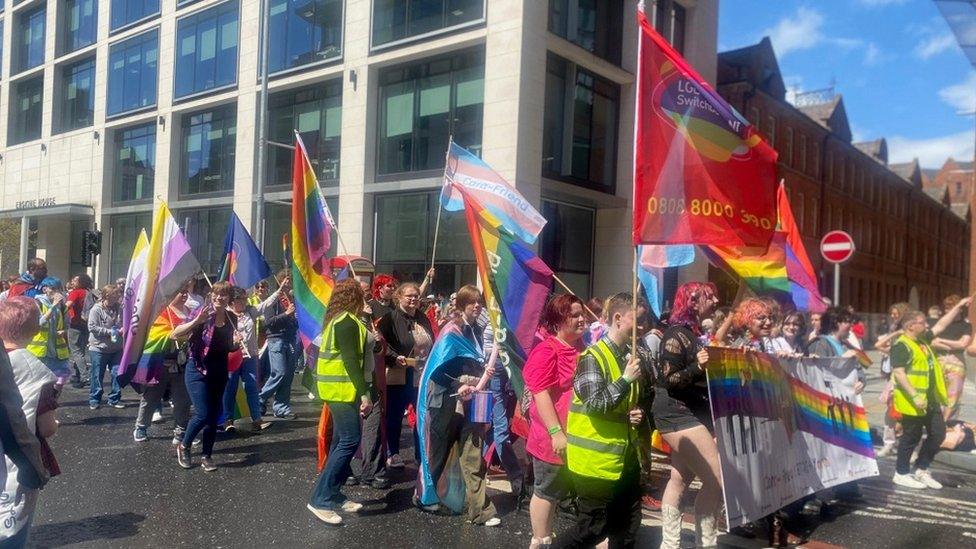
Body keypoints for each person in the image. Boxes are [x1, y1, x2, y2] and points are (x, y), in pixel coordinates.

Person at [553, 293, 653, 549]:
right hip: (595, 464)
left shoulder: (629, 357)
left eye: (645, 320)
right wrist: (625, 380)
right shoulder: (591, 357)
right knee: (593, 529)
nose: (642, 327)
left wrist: (634, 412)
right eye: (637, 320)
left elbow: (624, 404)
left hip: (624, 461)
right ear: (618, 319)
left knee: (628, 528)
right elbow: (596, 403)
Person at [415, 285, 500, 527]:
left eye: (479, 302)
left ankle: (480, 511)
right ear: (462, 305)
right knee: (438, 451)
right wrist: (457, 387)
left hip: (473, 399)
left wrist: (483, 373)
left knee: (473, 452)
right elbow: (436, 371)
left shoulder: (476, 330)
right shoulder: (450, 332)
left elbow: (472, 363)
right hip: (446, 402)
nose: (477, 306)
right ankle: (424, 495)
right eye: (472, 302)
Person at [654, 282, 720, 549]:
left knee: (680, 479)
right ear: (693, 302)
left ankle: (669, 545)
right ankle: (706, 544)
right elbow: (668, 379)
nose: (716, 300)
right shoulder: (675, 335)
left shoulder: (694, 335)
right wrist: (698, 366)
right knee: (717, 480)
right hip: (676, 414)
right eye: (710, 296)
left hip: (691, 412)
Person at [306, 280, 374, 525]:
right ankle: (320, 499)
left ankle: (333, 493)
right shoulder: (346, 322)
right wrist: (364, 393)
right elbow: (350, 362)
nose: (368, 296)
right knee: (349, 440)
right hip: (341, 390)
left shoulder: (343, 319)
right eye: (363, 293)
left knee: (339, 442)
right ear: (355, 296)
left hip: (341, 389)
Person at [523, 294, 585, 549]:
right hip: (552, 439)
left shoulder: (583, 347)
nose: (582, 319)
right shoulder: (547, 350)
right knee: (547, 491)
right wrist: (556, 432)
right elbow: (540, 394)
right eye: (575, 315)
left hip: (580, 435)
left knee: (564, 492)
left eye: (582, 314)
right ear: (560, 320)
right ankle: (541, 540)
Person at [0, 297, 60, 547]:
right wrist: (56, 424)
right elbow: (46, 426)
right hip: (18, 457)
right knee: (13, 531)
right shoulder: (37, 371)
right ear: (36, 330)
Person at [173, 282, 237, 471]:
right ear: (211, 295)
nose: (220, 298)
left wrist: (236, 343)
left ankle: (206, 455)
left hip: (219, 370)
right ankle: (184, 446)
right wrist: (196, 321)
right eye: (217, 294)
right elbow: (174, 335)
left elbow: (227, 347)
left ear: (228, 298)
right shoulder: (201, 313)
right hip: (197, 369)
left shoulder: (231, 317)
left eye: (224, 295)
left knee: (213, 416)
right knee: (202, 413)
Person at [889, 309, 948, 490]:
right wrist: (914, 395)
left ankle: (921, 469)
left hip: (930, 400)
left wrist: (960, 305)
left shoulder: (922, 341)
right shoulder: (902, 345)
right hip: (912, 402)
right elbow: (899, 373)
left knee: (938, 434)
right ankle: (901, 473)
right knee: (911, 437)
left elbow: (941, 325)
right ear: (911, 325)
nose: (926, 325)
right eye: (923, 322)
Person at [378, 281, 434, 469]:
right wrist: (394, 358)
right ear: (399, 297)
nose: (413, 299)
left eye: (416, 296)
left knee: (422, 415)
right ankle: (392, 452)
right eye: (409, 295)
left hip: (421, 374)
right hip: (398, 374)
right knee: (394, 416)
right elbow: (380, 346)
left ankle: (421, 454)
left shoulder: (423, 318)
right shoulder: (389, 319)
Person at [132, 284, 193, 444]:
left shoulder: (190, 311)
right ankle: (141, 427)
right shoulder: (161, 312)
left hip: (182, 364)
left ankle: (180, 431)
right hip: (160, 364)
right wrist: (178, 335)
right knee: (151, 397)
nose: (184, 295)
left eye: (186, 292)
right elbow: (155, 336)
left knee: (182, 400)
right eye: (181, 292)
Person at [222, 287, 271, 433]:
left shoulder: (250, 312)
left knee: (252, 386)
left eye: (245, 298)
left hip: (250, 356)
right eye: (241, 299)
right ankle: (227, 420)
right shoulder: (225, 315)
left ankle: (257, 420)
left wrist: (278, 290)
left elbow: (266, 304)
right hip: (232, 356)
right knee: (230, 388)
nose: (244, 301)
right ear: (233, 301)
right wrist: (232, 339)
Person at [259, 272, 299, 420]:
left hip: (289, 339)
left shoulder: (292, 300)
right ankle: (260, 398)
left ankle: (281, 408)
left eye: (291, 281)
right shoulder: (274, 300)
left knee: (288, 376)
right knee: (279, 372)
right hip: (276, 339)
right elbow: (268, 322)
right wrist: (287, 314)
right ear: (280, 282)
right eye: (286, 281)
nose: (289, 283)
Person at [875, 302, 911, 456]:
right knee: (891, 411)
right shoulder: (895, 329)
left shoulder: (912, 333)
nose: (892, 316)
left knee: (908, 414)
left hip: (910, 377)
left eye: (895, 313)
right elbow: (879, 345)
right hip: (894, 376)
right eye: (891, 313)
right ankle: (888, 444)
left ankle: (909, 447)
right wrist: (895, 334)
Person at [930, 295, 971, 421]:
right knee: (936, 394)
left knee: (954, 395)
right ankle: (936, 423)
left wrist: (942, 341)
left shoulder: (965, 325)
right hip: (938, 360)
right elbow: (932, 342)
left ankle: (947, 423)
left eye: (951, 307)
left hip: (956, 363)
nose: (948, 311)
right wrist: (953, 344)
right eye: (947, 308)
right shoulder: (939, 324)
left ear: (959, 309)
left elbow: (963, 344)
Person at [28, 277, 71, 387]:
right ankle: (43, 402)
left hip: (57, 350)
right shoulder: (37, 303)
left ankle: (54, 398)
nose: (57, 292)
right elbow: (39, 322)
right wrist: (53, 306)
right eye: (53, 288)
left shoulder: (62, 306)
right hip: (40, 351)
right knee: (40, 382)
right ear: (45, 289)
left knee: (61, 379)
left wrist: (64, 331)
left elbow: (67, 324)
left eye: (58, 289)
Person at [87, 284, 124, 410]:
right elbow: (92, 327)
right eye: (116, 295)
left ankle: (114, 398)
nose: (118, 297)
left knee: (117, 372)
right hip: (99, 348)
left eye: (118, 294)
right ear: (107, 295)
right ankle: (95, 399)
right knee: (97, 374)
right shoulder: (96, 309)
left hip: (116, 348)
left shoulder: (120, 308)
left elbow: (124, 322)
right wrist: (111, 332)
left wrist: (124, 329)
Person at [65, 274, 95, 388]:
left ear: (81, 282)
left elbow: (68, 305)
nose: (72, 281)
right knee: (81, 351)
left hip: (75, 324)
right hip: (85, 324)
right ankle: (78, 376)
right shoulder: (89, 292)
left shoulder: (75, 292)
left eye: (75, 280)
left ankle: (84, 376)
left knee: (76, 352)